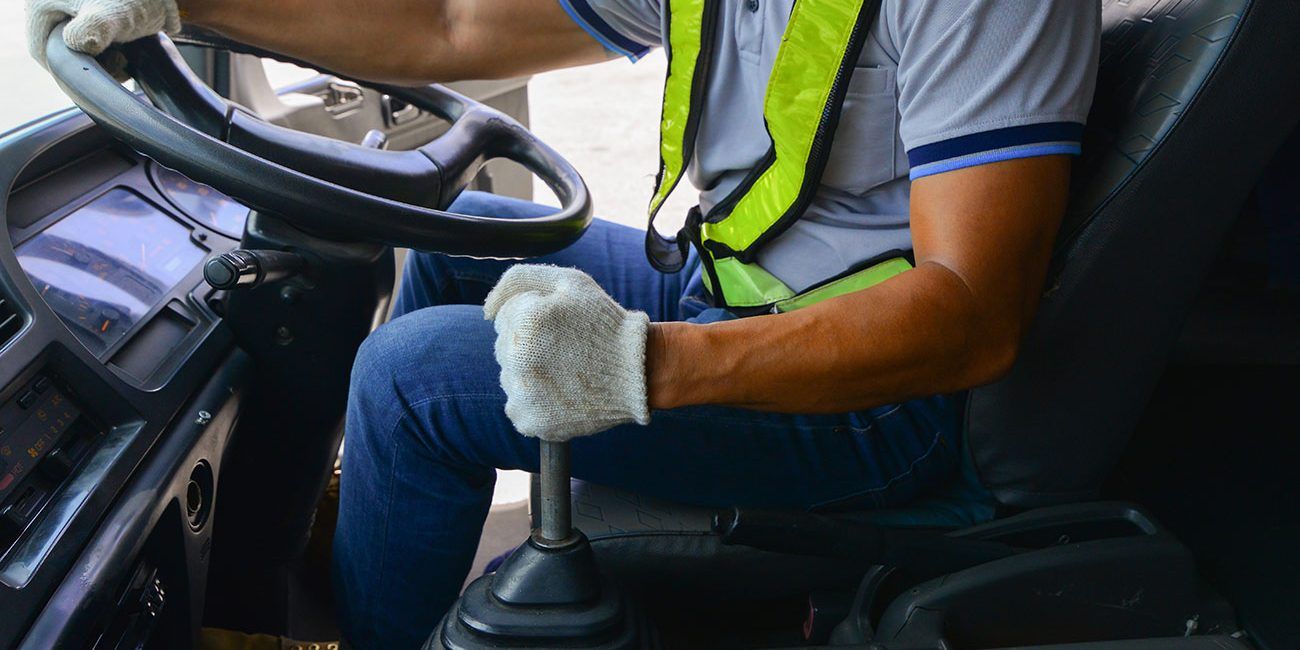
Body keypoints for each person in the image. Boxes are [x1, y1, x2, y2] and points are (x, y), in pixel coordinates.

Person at [27, 0, 1100, 647]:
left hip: (880, 401)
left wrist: (647, 361)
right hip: (734, 285)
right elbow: (454, 23)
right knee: (452, 224)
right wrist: (186, 4)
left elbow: (969, 314)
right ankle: (344, 546)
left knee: (415, 378)